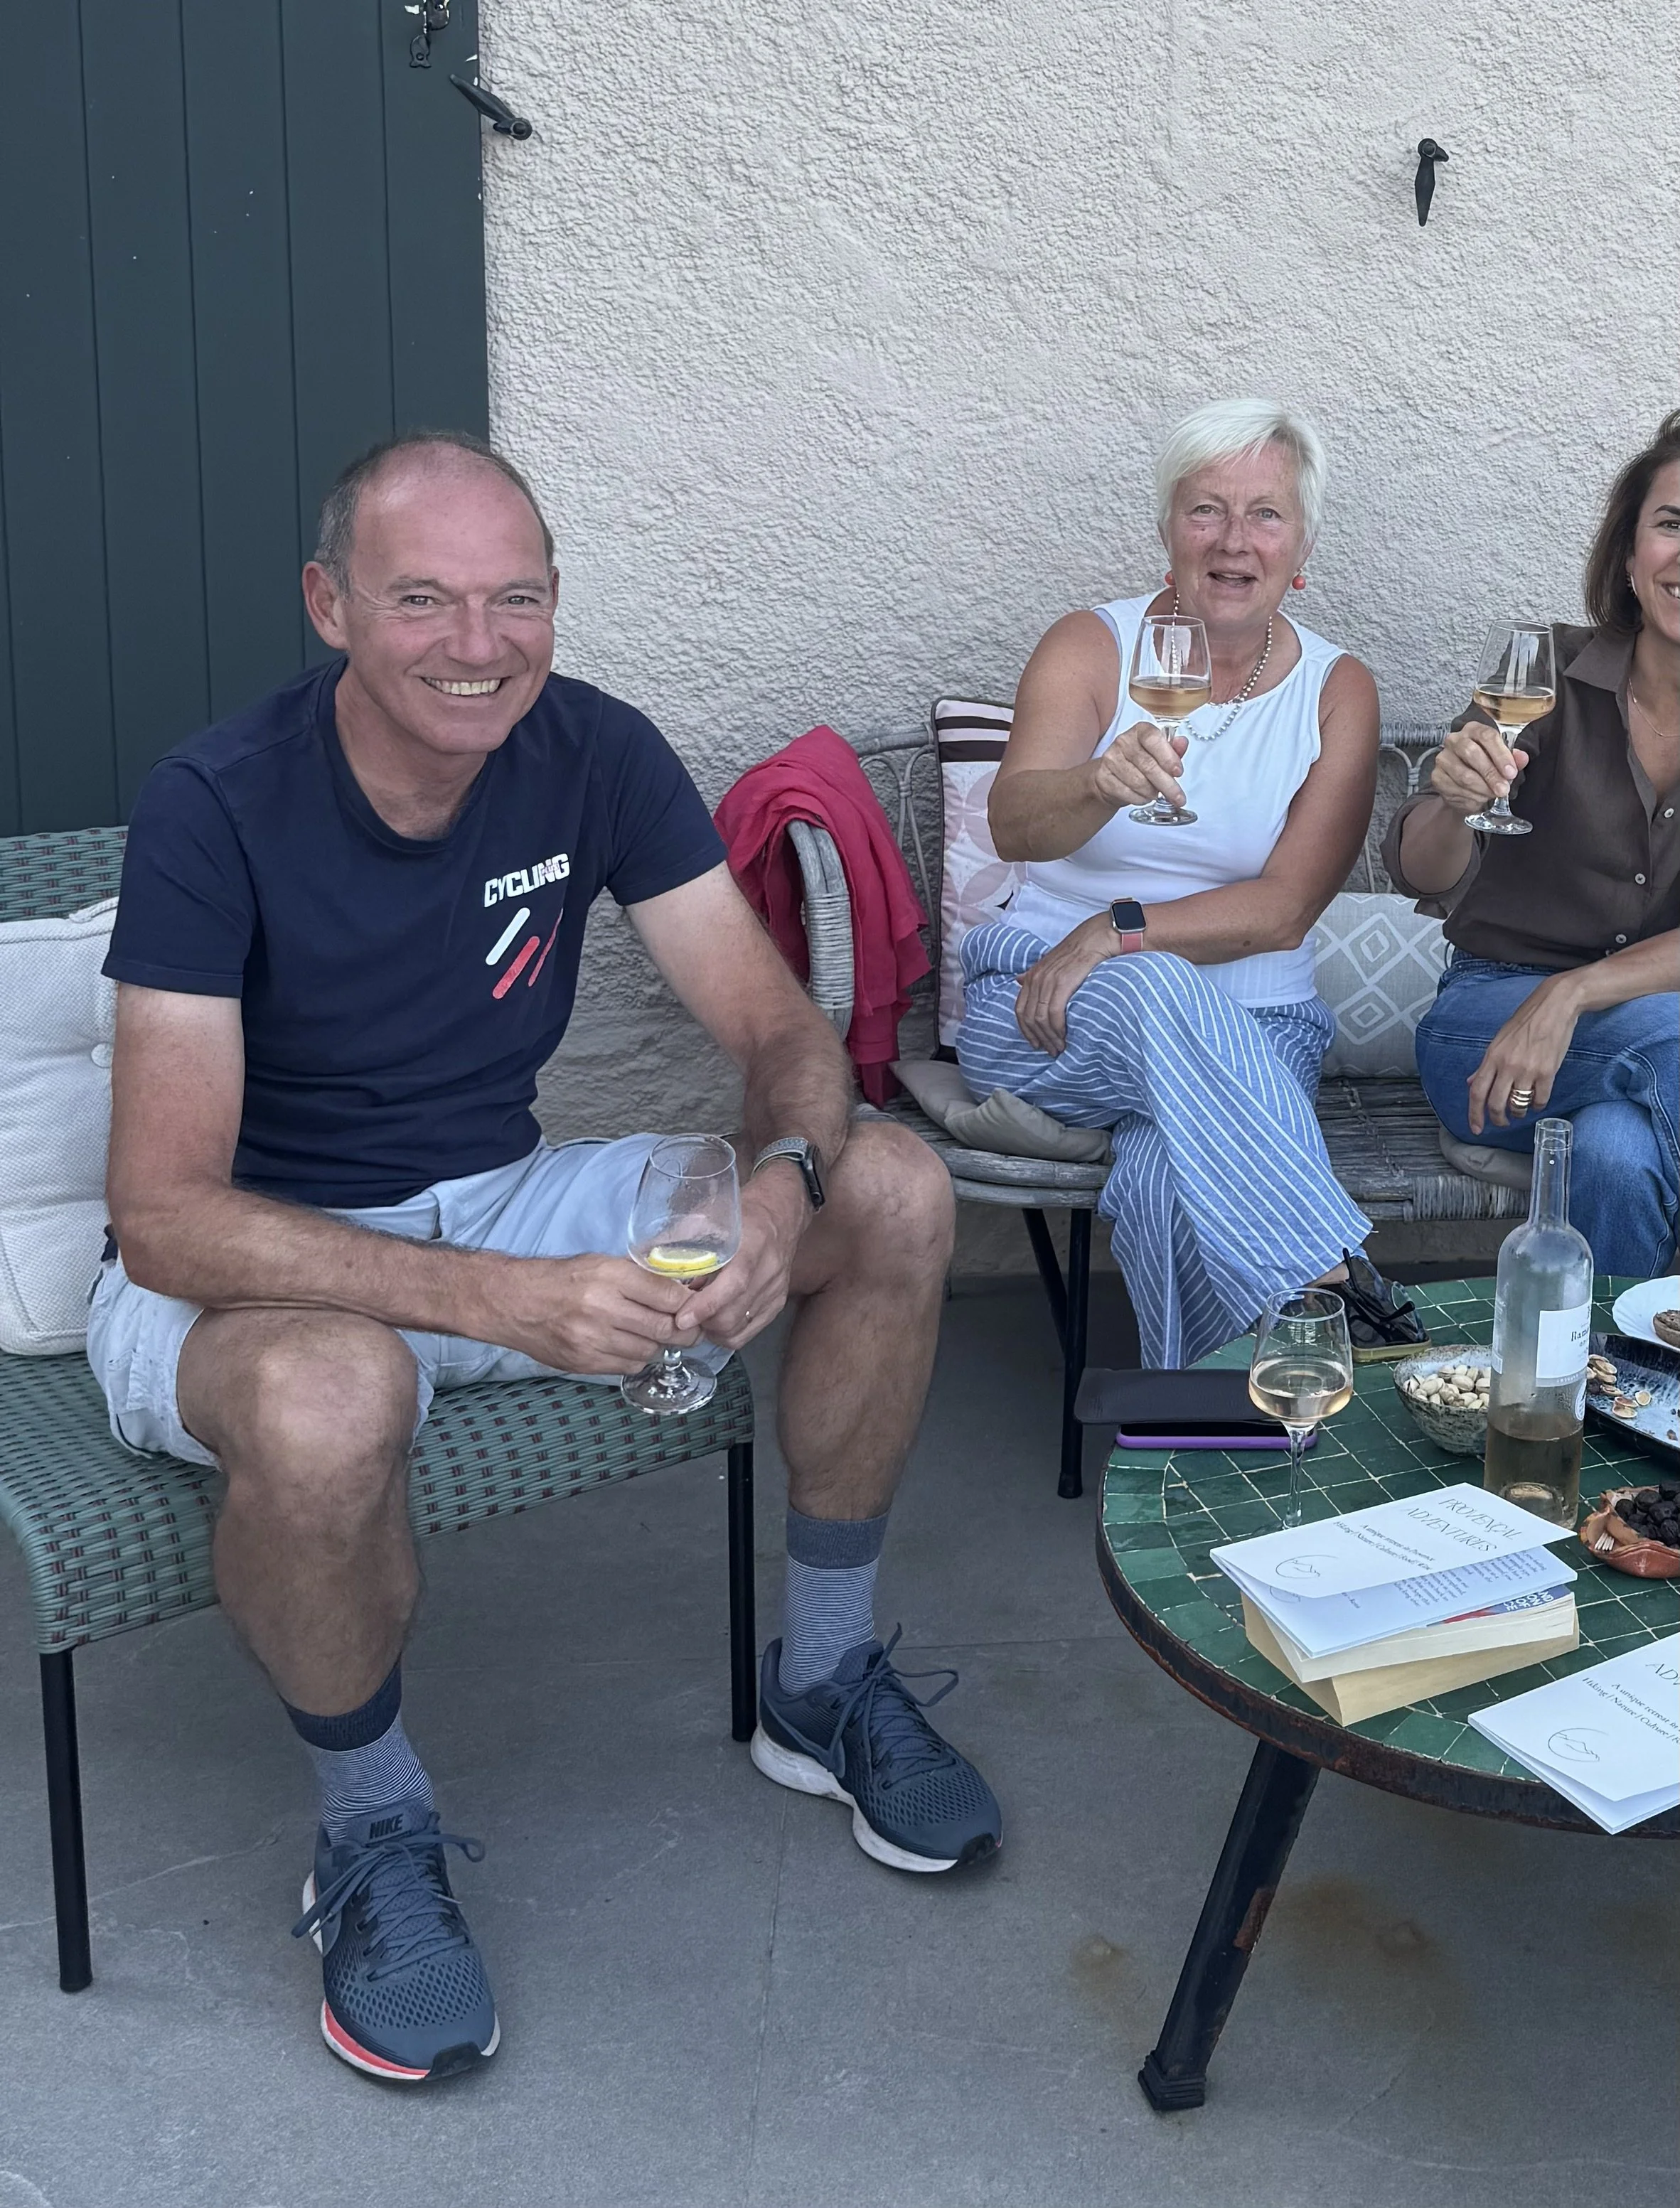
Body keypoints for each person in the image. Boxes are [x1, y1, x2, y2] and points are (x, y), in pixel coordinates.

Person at [89, 432, 1000, 2087]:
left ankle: (822, 1677)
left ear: (556, 605)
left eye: (516, 596)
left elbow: (771, 1022)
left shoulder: (591, 752)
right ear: (329, 605)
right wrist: (496, 1298)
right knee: (326, 1390)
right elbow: (162, 1208)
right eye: (422, 596)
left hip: (499, 1197)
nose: (476, 641)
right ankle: (371, 1834)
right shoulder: (215, 802)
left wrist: (787, 1180)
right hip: (259, 1262)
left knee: (900, 1190)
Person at [957, 397, 1428, 1369]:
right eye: (1204, 509)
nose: (1231, 541)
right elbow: (1013, 823)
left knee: (1169, 1175)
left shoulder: (1335, 687)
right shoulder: (1088, 646)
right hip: (1045, 1001)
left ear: (1300, 544)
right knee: (1158, 988)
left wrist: (1116, 929)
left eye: (1264, 514)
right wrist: (1093, 783)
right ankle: (1334, 1275)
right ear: (1166, 528)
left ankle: (1211, 1438)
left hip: (1252, 1023)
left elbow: (1284, 908)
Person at [1386, 413, 1679, 1274]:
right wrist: (1448, 801)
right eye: (1671, 524)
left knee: (1612, 1159)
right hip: (1485, 1027)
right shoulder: (1542, 672)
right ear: (1628, 558)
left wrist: (1574, 995)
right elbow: (1420, 866)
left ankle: (1606, 1395)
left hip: (1605, 1026)